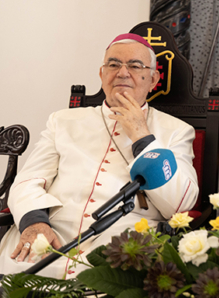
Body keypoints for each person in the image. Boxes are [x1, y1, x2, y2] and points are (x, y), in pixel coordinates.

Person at [0, 34, 199, 278]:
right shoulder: (63, 121)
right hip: (51, 233)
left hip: (122, 239)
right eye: (113, 65)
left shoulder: (176, 131)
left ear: (153, 79)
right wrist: (34, 222)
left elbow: (179, 204)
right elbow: (27, 181)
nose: (123, 73)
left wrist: (141, 137)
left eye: (136, 66)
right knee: (17, 270)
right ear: (102, 74)